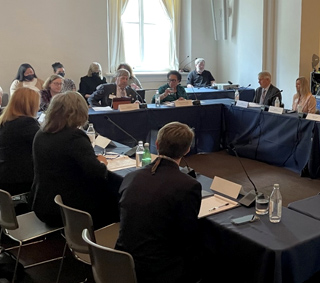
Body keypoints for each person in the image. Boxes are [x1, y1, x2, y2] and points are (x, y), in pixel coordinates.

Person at [116, 122, 202, 283]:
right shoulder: (189, 186)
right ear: (187, 150)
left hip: (120, 261)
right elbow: (187, 237)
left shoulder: (131, 177)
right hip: (159, 270)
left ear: (156, 144)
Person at [30, 91, 122, 227]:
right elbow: (98, 173)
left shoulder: (41, 133)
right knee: (117, 193)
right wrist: (101, 163)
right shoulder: (74, 137)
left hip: (42, 202)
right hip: (69, 209)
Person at [0, 88, 40, 195]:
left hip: (5, 176)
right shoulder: (27, 123)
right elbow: (44, 144)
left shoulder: (4, 121)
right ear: (30, 105)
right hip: (21, 180)